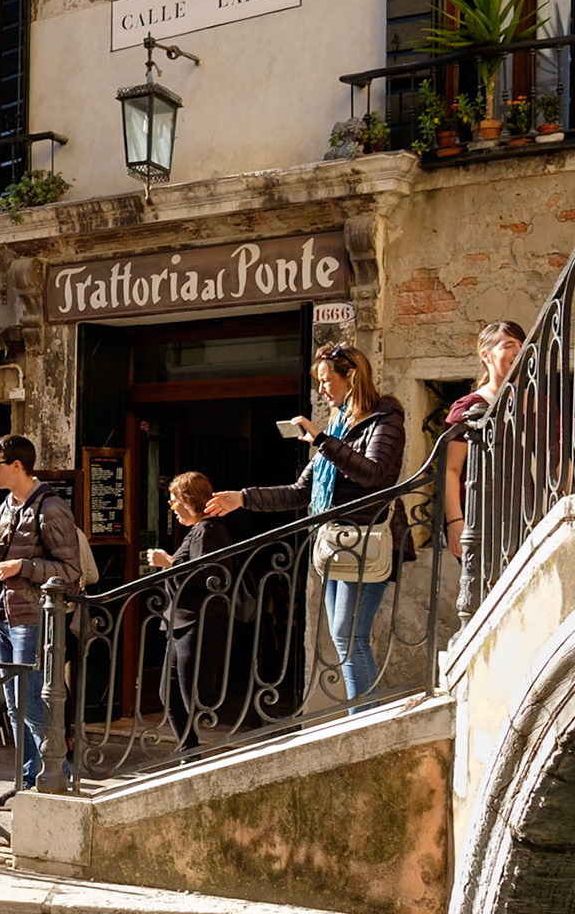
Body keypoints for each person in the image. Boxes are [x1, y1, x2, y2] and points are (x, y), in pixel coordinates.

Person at [206, 343, 408, 708]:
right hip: (336, 543)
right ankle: (362, 711)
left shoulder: (385, 419)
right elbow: (301, 492)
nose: (322, 390)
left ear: (352, 377)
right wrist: (242, 498)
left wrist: (322, 440)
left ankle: (364, 716)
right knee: (342, 636)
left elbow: (375, 475)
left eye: (327, 381)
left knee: (350, 636)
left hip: (366, 539)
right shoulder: (339, 425)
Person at [0, 433, 83, 806]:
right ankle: (27, 781)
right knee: (13, 704)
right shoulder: (6, 506)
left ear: (17, 466)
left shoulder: (51, 508)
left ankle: (59, 778)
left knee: (32, 703)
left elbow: (70, 571)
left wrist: (23, 566)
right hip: (4, 614)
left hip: (32, 617)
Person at [145, 472, 235, 752]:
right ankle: (188, 750)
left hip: (197, 622)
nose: (171, 507)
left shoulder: (208, 530)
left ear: (188, 499)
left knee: (190, 694)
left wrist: (168, 563)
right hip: (182, 623)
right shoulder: (198, 531)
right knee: (169, 692)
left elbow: (207, 576)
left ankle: (192, 752)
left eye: (174, 501)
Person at [444, 320, 525, 558]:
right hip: (483, 522)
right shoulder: (468, 407)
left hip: (530, 517)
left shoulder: (540, 404)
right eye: (508, 345)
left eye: (521, 344)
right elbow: (451, 469)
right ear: (486, 356)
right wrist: (455, 521)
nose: (518, 350)